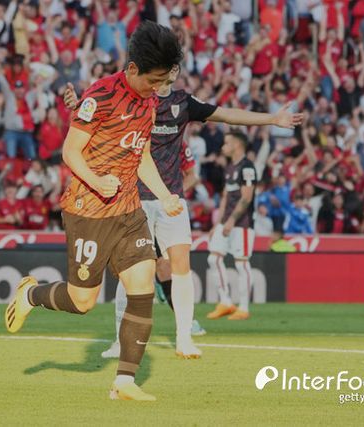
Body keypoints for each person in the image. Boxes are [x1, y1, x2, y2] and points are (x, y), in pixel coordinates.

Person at [64, 63, 302, 359]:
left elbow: (226, 114)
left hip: (171, 198)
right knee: (132, 272)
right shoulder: (136, 98)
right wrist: (77, 106)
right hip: (134, 196)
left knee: (181, 265)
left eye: (172, 67)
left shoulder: (183, 103)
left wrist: (271, 119)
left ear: (175, 72)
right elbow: (97, 117)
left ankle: (184, 338)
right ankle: (121, 341)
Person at [4, 21, 184, 402]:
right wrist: (97, 180)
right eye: (153, 80)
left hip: (128, 209)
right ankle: (31, 294)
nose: (157, 88)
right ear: (132, 68)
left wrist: (165, 195)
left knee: (142, 285)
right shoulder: (100, 95)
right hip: (88, 209)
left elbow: (141, 154)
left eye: (162, 81)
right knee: (82, 301)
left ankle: (124, 382)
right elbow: (70, 152)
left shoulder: (149, 102)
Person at [207, 131, 257, 321]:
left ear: (237, 145)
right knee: (213, 259)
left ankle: (244, 307)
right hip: (225, 221)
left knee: (241, 263)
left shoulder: (247, 167)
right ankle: (226, 301)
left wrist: (231, 220)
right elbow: (226, 197)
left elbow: (247, 197)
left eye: (226, 143)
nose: (223, 147)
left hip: (242, 223)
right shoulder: (229, 167)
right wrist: (217, 223)